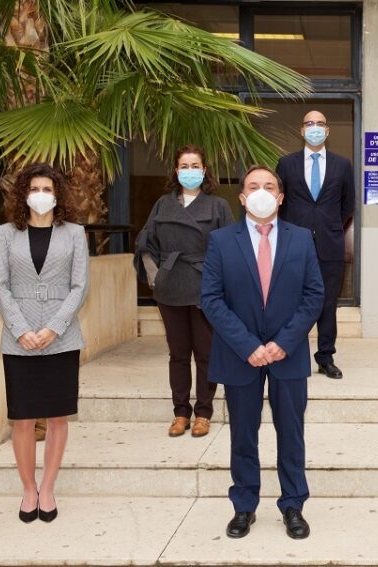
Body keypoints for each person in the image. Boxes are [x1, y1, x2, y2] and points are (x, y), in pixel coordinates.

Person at [201, 166, 324, 540]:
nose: (261, 191)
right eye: (253, 186)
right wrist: (248, 345)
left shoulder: (302, 239)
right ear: (241, 197)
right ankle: (243, 506)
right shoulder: (221, 241)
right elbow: (211, 298)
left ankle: (293, 505)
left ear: (281, 197)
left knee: (291, 433)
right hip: (241, 355)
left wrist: (284, 342)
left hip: (288, 354)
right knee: (243, 433)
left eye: (269, 186)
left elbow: (313, 295)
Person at [0, 163, 89, 523]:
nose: (41, 195)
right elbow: (0, 286)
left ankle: (47, 488)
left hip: (61, 340)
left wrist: (54, 328)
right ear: (23, 194)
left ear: (58, 194)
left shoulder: (75, 233)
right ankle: (27, 489)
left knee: (57, 417)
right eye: (35, 188)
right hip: (18, 340)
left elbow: (80, 286)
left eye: (48, 189)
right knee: (22, 418)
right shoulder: (6, 234)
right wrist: (20, 329)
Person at [136, 145, 235, 438]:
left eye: (195, 166)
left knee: (205, 354)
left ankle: (204, 412)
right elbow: (145, 244)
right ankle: (181, 412)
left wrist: (220, 285)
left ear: (204, 171)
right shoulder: (162, 205)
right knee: (178, 354)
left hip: (206, 287)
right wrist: (156, 278)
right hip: (170, 288)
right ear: (176, 171)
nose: (189, 171)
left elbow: (231, 249)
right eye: (184, 166)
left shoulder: (218, 206)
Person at [275, 110, 355, 380]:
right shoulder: (286, 164)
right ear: (302, 130)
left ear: (328, 131)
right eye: (310, 123)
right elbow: (279, 203)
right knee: (293, 302)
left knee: (327, 303)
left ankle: (325, 357)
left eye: (320, 123)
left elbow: (348, 205)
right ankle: (291, 352)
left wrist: (330, 226)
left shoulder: (342, 165)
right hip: (294, 245)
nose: (315, 128)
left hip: (330, 244)